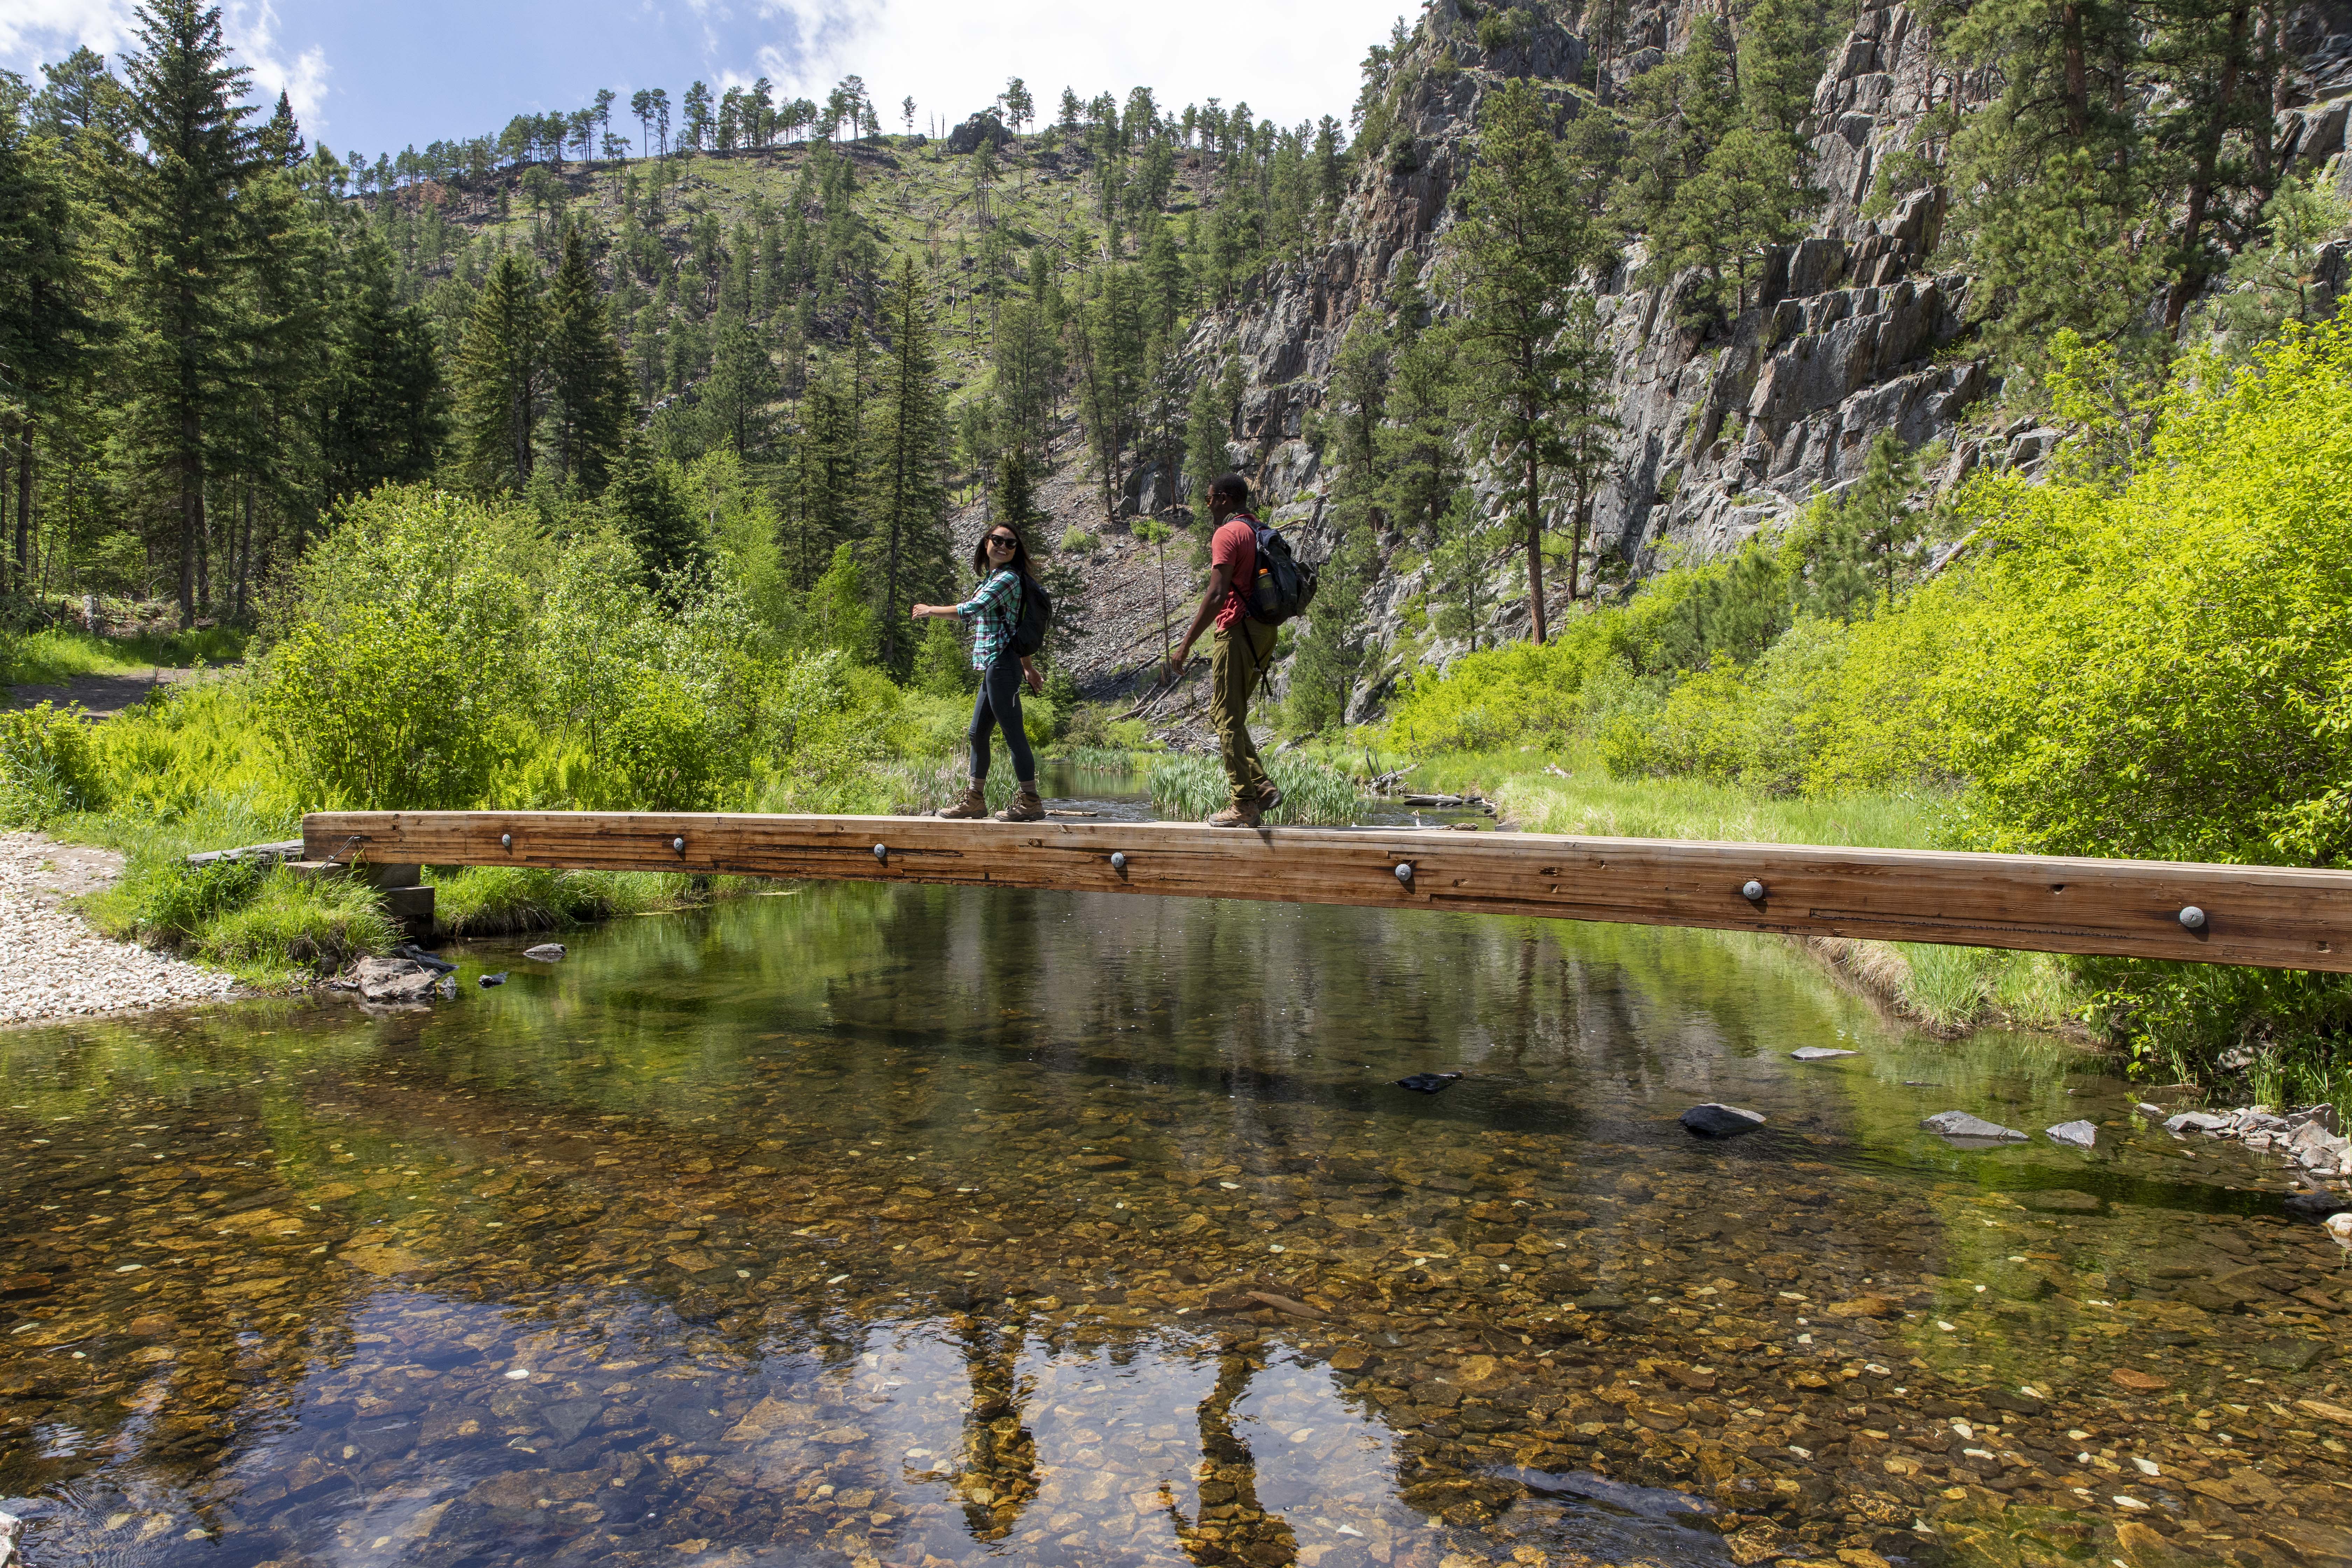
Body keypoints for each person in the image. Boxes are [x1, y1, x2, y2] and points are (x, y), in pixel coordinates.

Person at [1168, 473, 1282, 828]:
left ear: (1224, 499)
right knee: (1226, 713)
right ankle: (1261, 785)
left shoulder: (1228, 533)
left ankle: (1244, 803)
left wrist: (1184, 646)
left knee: (1226, 718)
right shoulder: (1256, 529)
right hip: (1264, 633)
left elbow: (1217, 595)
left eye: (1209, 499)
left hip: (1237, 632)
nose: (1208, 506)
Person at [912, 522, 1046, 822]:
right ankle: (974, 801)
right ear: (986, 543)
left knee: (1014, 735)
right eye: (997, 540)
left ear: (1016, 551)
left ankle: (1031, 802)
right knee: (977, 734)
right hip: (995, 665)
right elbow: (1010, 628)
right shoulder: (993, 577)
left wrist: (930, 610)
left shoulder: (1008, 579)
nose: (1003, 546)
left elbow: (973, 609)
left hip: (1002, 665)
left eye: (1011, 544)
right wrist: (1029, 668)